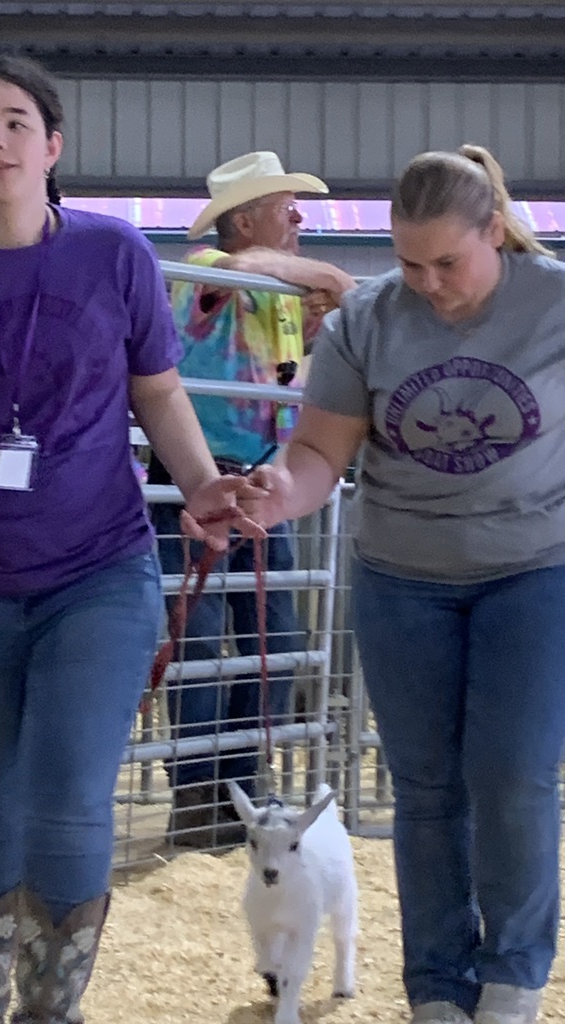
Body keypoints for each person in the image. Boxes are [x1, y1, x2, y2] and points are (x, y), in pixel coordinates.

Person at [0, 54, 259, 1024]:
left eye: (13, 122)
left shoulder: (115, 256)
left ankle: (52, 1009)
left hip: (100, 569)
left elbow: (158, 392)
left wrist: (203, 484)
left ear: (52, 144)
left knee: (72, 794)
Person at [239, 143, 565, 1024]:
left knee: (514, 774)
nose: (427, 281)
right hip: (402, 575)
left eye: (447, 262)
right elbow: (318, 452)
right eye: (407, 261)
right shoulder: (369, 319)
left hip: (536, 569)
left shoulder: (556, 302)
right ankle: (436, 984)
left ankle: (515, 975)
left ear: (494, 231)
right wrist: (277, 493)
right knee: (423, 785)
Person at [148, 150, 356, 847]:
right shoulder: (206, 268)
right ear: (244, 221)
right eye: (284, 203)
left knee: (274, 640)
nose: (299, 214)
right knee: (205, 640)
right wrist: (329, 277)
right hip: (201, 478)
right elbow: (236, 270)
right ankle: (198, 796)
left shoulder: (284, 298)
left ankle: (238, 790)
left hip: (263, 484)